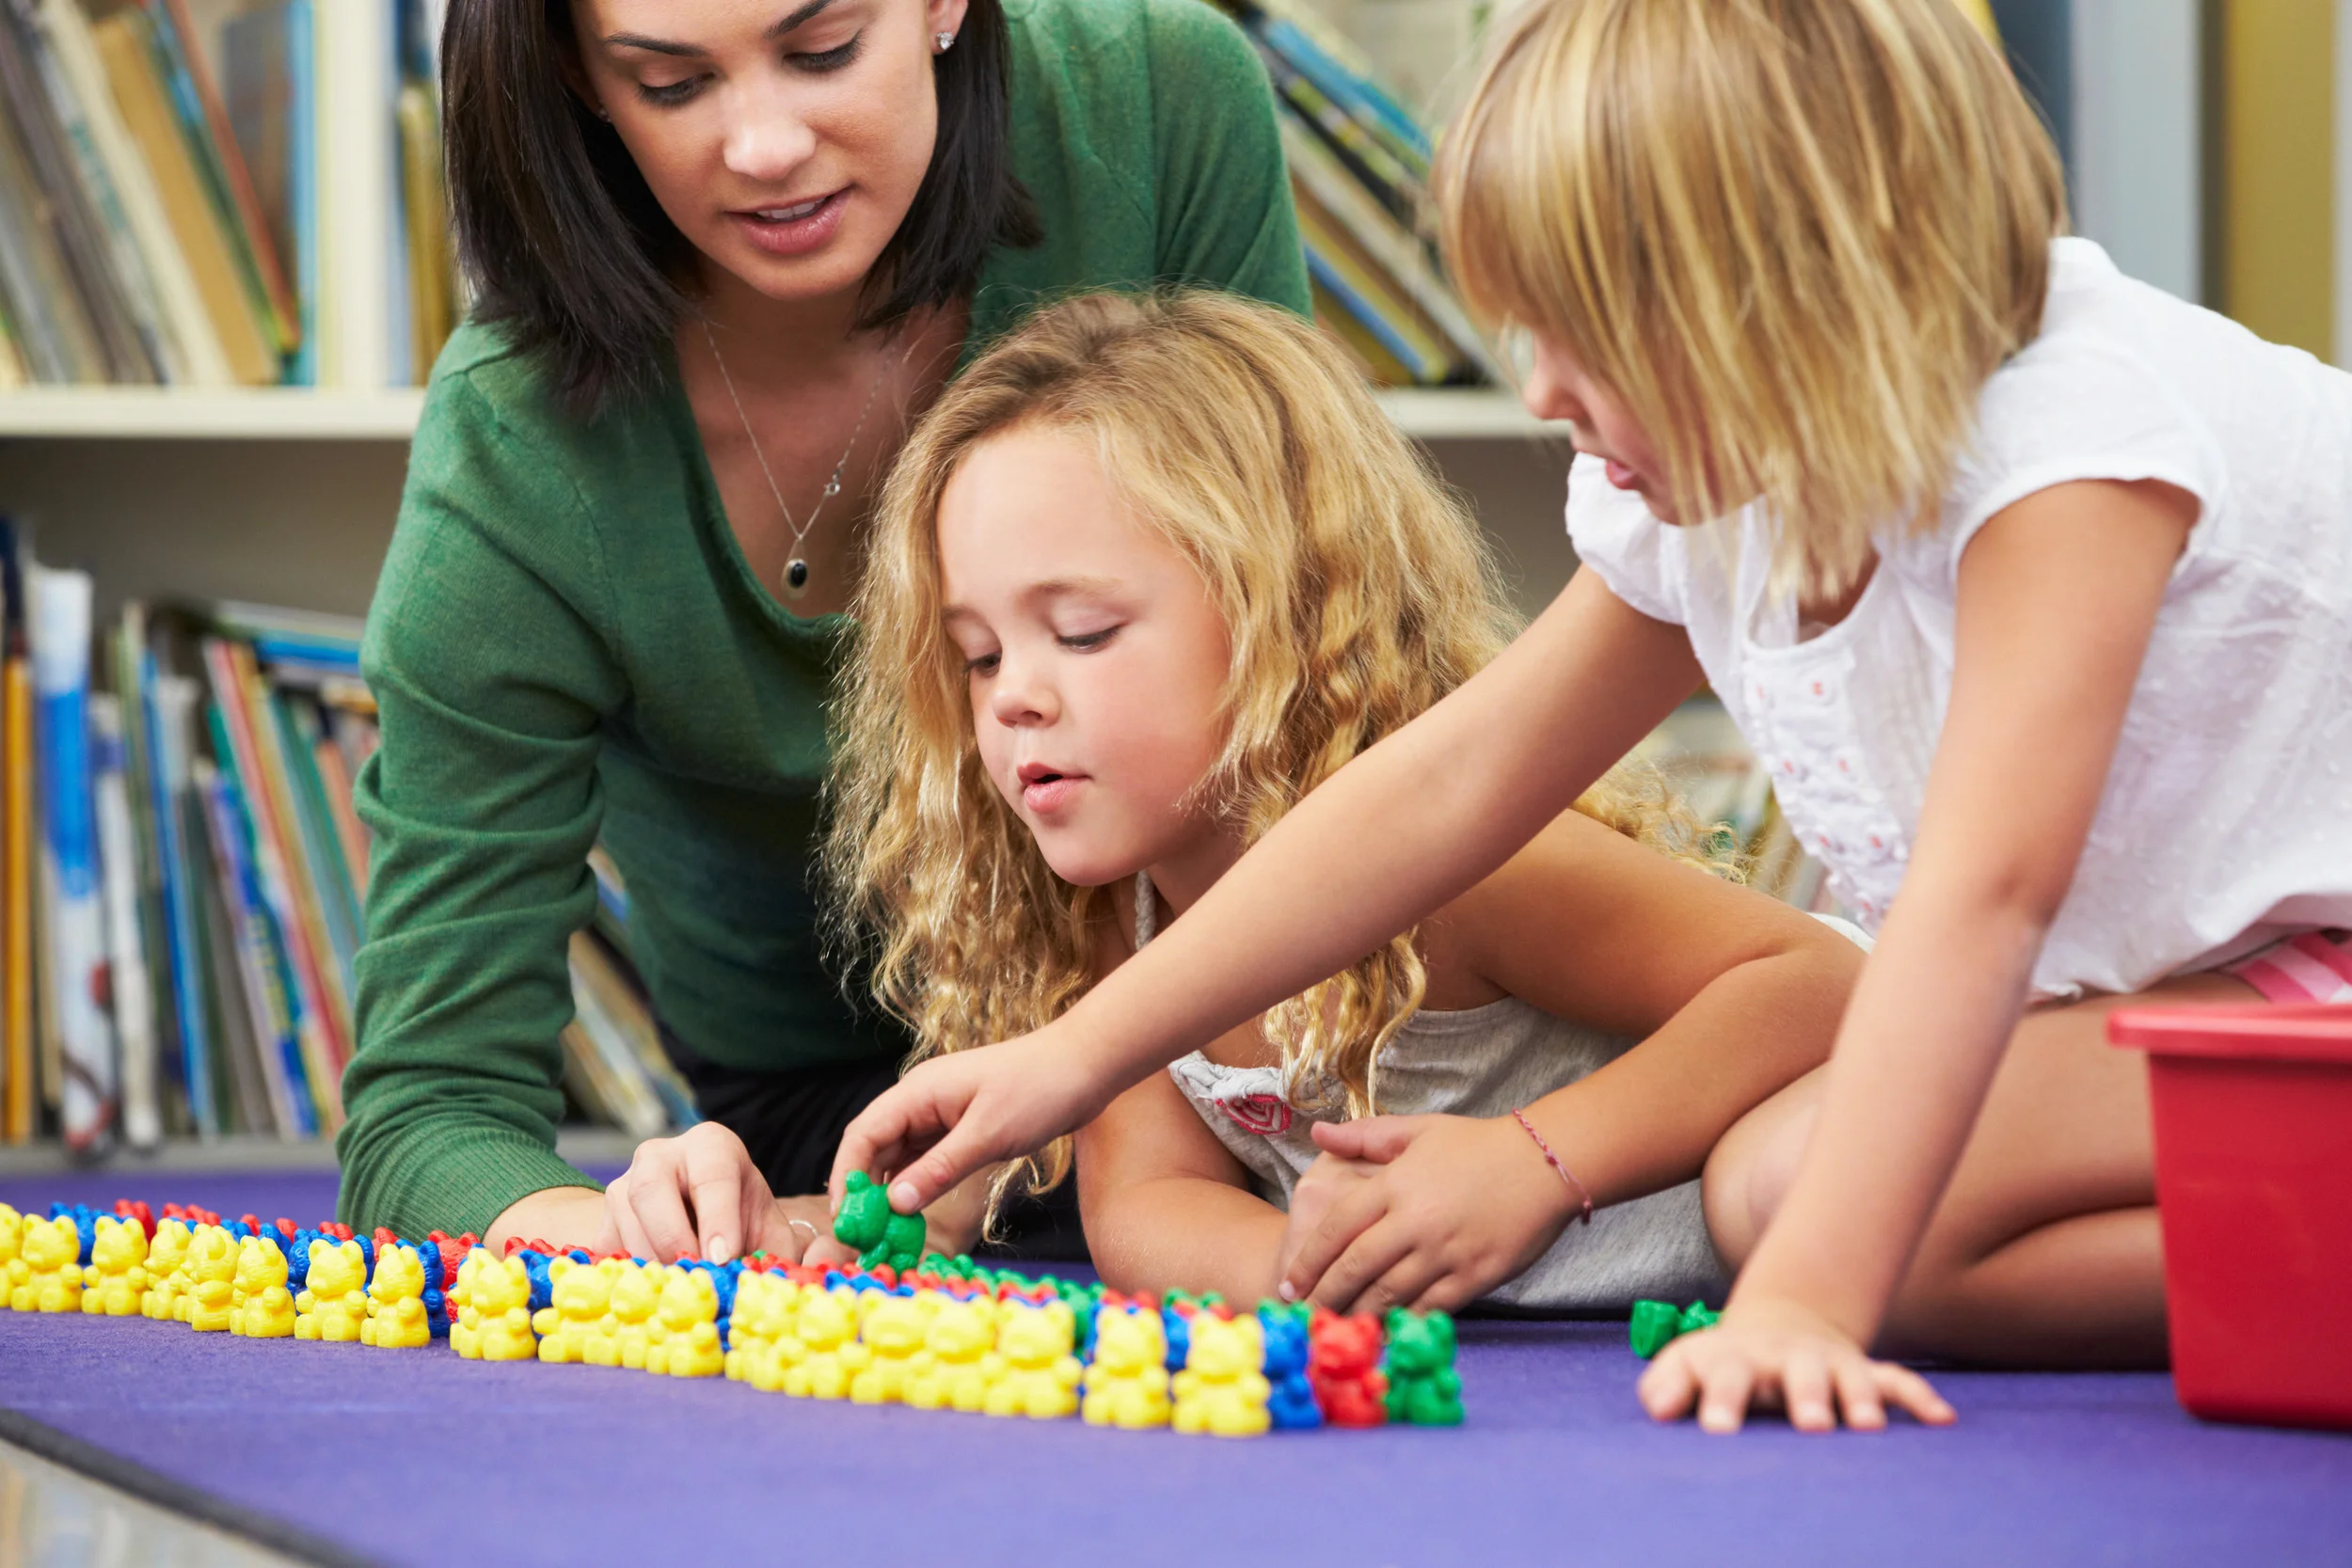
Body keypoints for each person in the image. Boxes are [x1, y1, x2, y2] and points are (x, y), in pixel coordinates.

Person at [830, 0, 2352, 1431]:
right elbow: (1449, 784)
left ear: (1785, 293)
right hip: (2223, 998)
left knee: (1821, 1219)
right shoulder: (1720, 502)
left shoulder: (2068, 451)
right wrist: (1072, 1056)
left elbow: (1985, 891)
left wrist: (1810, 1308)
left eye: (1588, 335)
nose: (1546, 389)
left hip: (2305, 981)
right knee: (1780, 1191)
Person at [335, 0, 1310, 1267]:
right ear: (577, 78)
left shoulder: (1156, 106)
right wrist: (632, 1236)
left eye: (822, 50)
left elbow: (1324, 666)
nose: (763, 146)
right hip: (836, 1133)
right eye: (671, 84)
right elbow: (427, 1108)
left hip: (1245, 1054)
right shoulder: (518, 451)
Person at [826, 291, 1865, 1311]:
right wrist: (1322, 1269)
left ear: (1288, 615)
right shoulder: (1121, 915)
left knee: (1770, 1193)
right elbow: (1149, 1198)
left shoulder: (1468, 874)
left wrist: (1535, 1159)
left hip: (1855, 1149)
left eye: (1086, 631)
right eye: (977, 655)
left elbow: (1818, 983)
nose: (1013, 697)